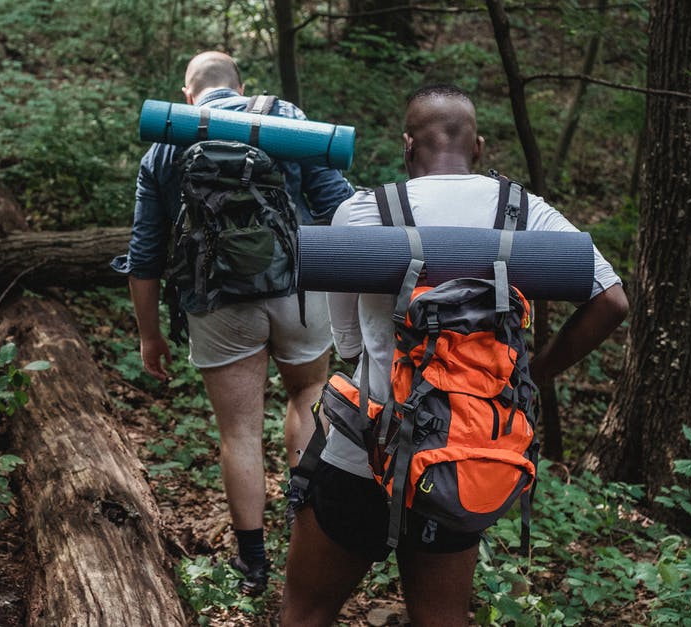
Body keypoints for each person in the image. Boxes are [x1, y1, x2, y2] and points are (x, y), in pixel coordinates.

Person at [281, 84, 629, 625]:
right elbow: (613, 300)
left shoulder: (364, 212)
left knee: (306, 611)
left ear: (406, 146)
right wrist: (534, 375)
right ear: (480, 148)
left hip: (364, 450)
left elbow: (347, 342)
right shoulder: (524, 211)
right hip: (462, 456)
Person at [110, 51, 355, 596]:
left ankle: (252, 566)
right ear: (243, 86)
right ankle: (307, 535)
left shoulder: (165, 144)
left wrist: (150, 335)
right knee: (308, 392)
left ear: (187, 93)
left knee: (239, 430)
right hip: (298, 290)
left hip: (215, 299)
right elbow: (338, 205)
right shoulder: (284, 120)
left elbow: (145, 253)